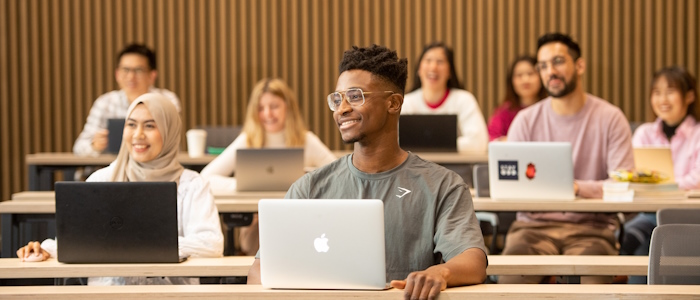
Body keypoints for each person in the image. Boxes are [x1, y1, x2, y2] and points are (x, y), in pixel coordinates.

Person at [247, 44, 488, 299]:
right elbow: (259, 271)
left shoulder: (443, 185)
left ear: (393, 103)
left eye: (355, 96)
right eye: (337, 99)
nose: (342, 109)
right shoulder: (309, 187)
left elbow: (473, 260)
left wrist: (442, 273)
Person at [18, 93, 224, 285]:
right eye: (131, 125)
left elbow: (211, 244)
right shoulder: (102, 180)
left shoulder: (191, 184)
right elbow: (78, 242)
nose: (138, 135)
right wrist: (45, 248)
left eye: (150, 126)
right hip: (106, 294)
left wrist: (140, 244)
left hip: (171, 295)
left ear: (169, 131)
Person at [498, 33, 635, 284]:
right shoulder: (526, 121)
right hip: (531, 229)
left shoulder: (611, 118)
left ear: (579, 65)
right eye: (543, 66)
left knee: (594, 288)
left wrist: (576, 188)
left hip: (593, 230)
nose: (550, 71)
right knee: (509, 285)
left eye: (558, 61)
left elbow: (623, 187)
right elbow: (511, 188)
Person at [201, 78, 336, 256]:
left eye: (274, 106)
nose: (267, 114)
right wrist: (244, 185)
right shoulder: (247, 140)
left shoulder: (307, 140)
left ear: (288, 107)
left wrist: (306, 178)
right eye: (260, 108)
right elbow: (204, 179)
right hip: (257, 226)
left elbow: (338, 175)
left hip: (300, 222)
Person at [621, 66, 700, 284]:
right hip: (647, 213)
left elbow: (698, 179)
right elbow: (633, 175)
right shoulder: (644, 133)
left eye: (670, 91)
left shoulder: (698, 134)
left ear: (690, 96)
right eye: (656, 92)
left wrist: (660, 185)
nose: (662, 99)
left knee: (645, 248)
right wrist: (669, 185)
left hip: (687, 216)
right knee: (627, 240)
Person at [73, 43, 181, 156]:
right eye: (125, 70)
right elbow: (79, 148)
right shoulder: (105, 103)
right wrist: (95, 145)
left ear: (152, 75)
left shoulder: (167, 100)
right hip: (111, 169)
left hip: (154, 167)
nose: (131, 77)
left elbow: (172, 143)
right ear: (117, 74)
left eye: (138, 70)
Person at [402, 42, 488, 152]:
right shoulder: (407, 103)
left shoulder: (464, 100)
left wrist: (428, 143)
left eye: (440, 61)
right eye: (428, 60)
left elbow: (478, 144)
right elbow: (395, 144)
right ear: (419, 69)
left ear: (450, 71)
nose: (433, 67)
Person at [487, 55, 547, 141]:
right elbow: (492, 140)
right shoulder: (503, 113)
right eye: (519, 75)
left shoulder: (552, 109)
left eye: (530, 73)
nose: (525, 79)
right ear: (512, 81)